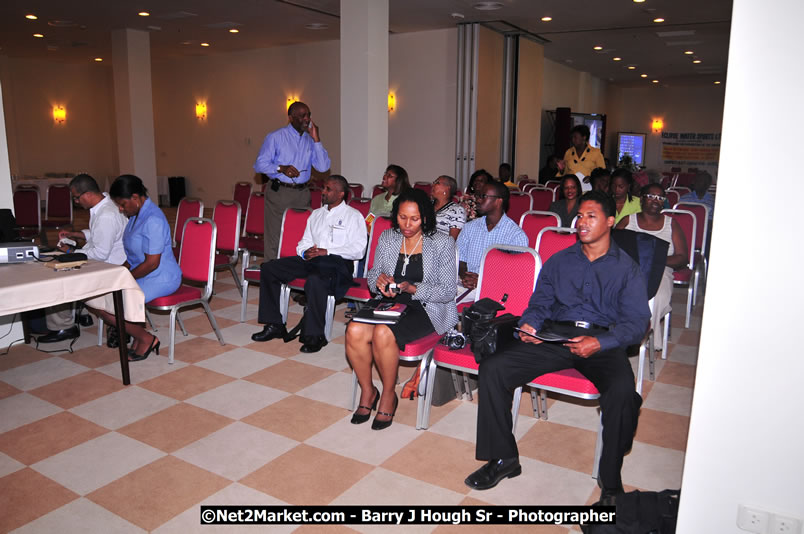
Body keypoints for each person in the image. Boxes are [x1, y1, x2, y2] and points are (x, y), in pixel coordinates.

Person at [464, 190, 650, 502]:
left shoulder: (626, 268)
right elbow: (540, 302)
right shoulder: (559, 261)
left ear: (610, 221)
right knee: (494, 368)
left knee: (622, 393)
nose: (582, 222)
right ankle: (503, 458)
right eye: (579, 216)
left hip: (603, 342)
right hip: (556, 336)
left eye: (591, 216)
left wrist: (600, 341)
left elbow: (636, 323)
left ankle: (611, 483)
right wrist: (531, 323)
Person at [345, 188, 458, 430]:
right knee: (354, 329)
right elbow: (373, 272)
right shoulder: (388, 237)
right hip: (390, 301)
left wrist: (413, 288)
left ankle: (387, 394)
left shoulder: (442, 243)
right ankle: (368, 391)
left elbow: (448, 291)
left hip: (425, 305)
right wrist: (379, 281)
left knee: (384, 333)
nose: (407, 224)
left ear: (425, 218)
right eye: (402, 217)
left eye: (414, 219)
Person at [251, 175, 367, 353]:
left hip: (338, 264)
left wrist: (327, 251)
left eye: (328, 189)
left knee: (315, 280)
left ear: (341, 194)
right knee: (269, 268)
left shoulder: (353, 216)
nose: (323, 192)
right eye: (324, 188)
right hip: (313, 260)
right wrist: (305, 252)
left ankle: (315, 335)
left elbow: (358, 250)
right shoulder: (316, 214)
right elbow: (303, 242)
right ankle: (275, 325)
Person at [88, 175, 182, 361]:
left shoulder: (153, 219)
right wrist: (117, 274)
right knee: (96, 299)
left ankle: (146, 338)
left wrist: (125, 278)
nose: (121, 210)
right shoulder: (135, 216)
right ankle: (142, 335)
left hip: (161, 276)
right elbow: (131, 257)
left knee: (115, 303)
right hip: (142, 274)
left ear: (136, 197)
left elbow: (152, 262)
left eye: (123, 204)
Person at [37, 174, 128, 343]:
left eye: (76, 198)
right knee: (57, 259)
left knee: (57, 275)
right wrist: (75, 234)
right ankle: (83, 314)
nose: (76, 202)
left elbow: (100, 254)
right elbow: (98, 234)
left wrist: (72, 251)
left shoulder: (106, 215)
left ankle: (63, 326)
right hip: (106, 260)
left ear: (87, 194)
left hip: (109, 266)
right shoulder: (105, 204)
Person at [254, 101, 331, 261]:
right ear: (291, 117)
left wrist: (317, 139)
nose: (307, 119)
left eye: (309, 115)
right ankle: (272, 272)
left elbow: (323, 167)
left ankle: (294, 273)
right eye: (302, 115)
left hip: (302, 193)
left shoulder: (310, 141)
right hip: (280, 192)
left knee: (301, 234)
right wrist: (281, 168)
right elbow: (260, 164)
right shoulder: (276, 137)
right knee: (275, 235)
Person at [616, 184, 688, 351]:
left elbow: (682, 258)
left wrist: (654, 260)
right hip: (630, 269)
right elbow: (613, 249)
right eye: (651, 196)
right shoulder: (628, 220)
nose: (655, 201)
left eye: (660, 198)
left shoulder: (672, 224)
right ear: (642, 199)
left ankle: (643, 338)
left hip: (661, 270)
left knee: (657, 296)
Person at [456, 181, 527, 303]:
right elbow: (460, 259)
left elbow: (514, 275)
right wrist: (465, 277)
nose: (477, 200)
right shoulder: (469, 227)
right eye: (478, 196)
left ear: (498, 201)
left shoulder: (515, 235)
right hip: (464, 282)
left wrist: (482, 280)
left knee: (440, 299)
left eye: (483, 196)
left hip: (494, 287)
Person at [431, 175, 465, 240]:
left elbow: (452, 240)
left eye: (437, 182)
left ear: (447, 188)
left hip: (442, 248)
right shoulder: (426, 205)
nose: (433, 185)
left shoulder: (457, 210)